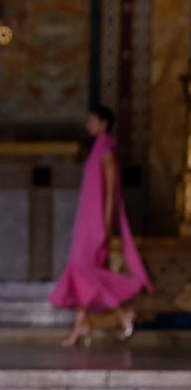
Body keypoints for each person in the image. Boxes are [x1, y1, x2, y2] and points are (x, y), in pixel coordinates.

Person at [49, 105, 152, 346]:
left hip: (96, 220)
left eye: (92, 121)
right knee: (83, 272)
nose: (88, 125)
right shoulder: (96, 147)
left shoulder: (107, 148)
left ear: (104, 123)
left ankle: (119, 313)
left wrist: (106, 220)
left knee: (84, 270)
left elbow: (111, 190)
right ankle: (84, 327)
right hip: (86, 218)